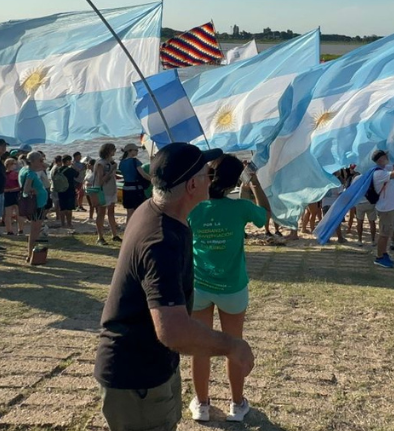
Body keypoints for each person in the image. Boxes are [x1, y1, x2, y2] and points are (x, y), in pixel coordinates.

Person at [94, 142, 253, 431]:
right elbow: (173, 331)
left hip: (149, 368)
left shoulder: (156, 210)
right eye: (207, 174)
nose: (211, 180)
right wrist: (232, 345)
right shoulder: (161, 240)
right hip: (137, 378)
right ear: (192, 185)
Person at [187, 156, 269, 423]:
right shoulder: (241, 208)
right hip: (232, 288)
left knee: (200, 347)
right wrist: (254, 181)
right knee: (234, 345)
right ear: (235, 182)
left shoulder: (194, 208)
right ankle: (236, 404)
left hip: (200, 286)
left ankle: (202, 404)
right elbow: (265, 215)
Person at [369, 148, 394, 269]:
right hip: (385, 209)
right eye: (385, 156)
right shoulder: (379, 173)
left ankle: (384, 253)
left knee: (387, 232)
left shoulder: (384, 168)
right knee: (384, 234)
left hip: (389, 207)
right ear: (381, 159)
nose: (387, 157)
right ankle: (379, 257)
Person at [18, 152, 50, 264]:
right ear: (32, 161)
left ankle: (31, 254)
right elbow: (26, 190)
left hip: (39, 203)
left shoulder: (25, 169)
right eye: (40, 160)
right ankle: (31, 255)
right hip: (37, 205)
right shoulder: (30, 173)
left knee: (36, 230)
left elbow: (46, 166)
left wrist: (41, 163)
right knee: (35, 231)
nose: (42, 162)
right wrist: (34, 191)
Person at [118, 143, 151, 213]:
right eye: (135, 150)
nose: (137, 151)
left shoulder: (121, 162)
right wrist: (153, 180)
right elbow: (144, 175)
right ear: (129, 151)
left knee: (129, 212)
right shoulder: (135, 161)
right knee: (139, 211)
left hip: (126, 188)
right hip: (136, 189)